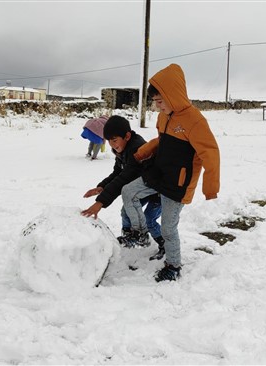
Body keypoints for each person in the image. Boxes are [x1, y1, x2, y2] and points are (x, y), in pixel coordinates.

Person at [121, 63, 220, 282]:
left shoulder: (195, 121)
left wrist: (210, 187)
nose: (157, 107)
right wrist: (141, 153)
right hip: (159, 173)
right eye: (154, 102)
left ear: (173, 95)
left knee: (168, 227)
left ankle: (173, 266)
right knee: (128, 192)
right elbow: (160, 141)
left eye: (159, 101)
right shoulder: (163, 117)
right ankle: (139, 233)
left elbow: (210, 153)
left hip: (178, 184)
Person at [80, 116, 164, 254]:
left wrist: (100, 202)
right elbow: (118, 172)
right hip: (140, 190)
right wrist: (102, 187)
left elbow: (124, 178)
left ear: (127, 136)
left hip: (157, 190)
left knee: (150, 220)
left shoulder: (136, 149)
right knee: (126, 212)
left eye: (114, 140)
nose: (112, 145)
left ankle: (160, 243)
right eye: (109, 142)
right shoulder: (122, 149)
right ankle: (130, 236)